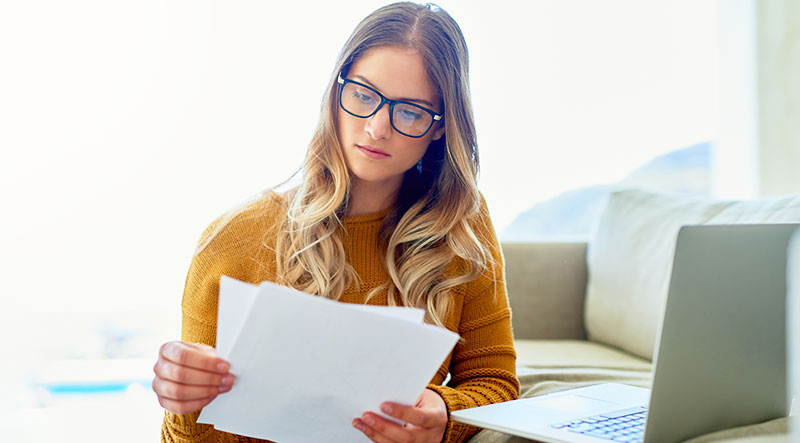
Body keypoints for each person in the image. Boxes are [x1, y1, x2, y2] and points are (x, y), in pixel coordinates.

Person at [153, 2, 519, 442]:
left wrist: (443, 415)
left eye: (410, 112)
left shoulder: (461, 226)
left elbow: (496, 385)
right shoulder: (232, 240)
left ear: (441, 126)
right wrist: (184, 404)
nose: (378, 127)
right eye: (363, 95)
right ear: (335, 92)